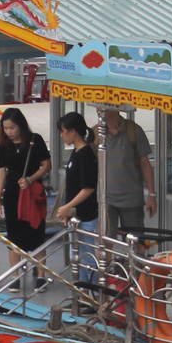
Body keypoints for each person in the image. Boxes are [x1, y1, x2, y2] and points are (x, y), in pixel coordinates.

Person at [0, 107, 51, 252]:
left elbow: (46, 165)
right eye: (5, 128)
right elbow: (1, 172)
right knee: (14, 236)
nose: (8, 132)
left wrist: (30, 179)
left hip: (32, 191)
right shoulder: (3, 145)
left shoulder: (34, 140)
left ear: (20, 125)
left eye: (12, 128)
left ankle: (40, 273)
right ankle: (16, 273)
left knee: (36, 232)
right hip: (12, 193)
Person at [52, 112, 99, 281]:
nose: (61, 135)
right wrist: (68, 211)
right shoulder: (76, 152)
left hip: (85, 215)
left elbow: (88, 188)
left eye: (63, 131)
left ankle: (92, 296)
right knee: (77, 257)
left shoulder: (86, 154)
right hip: (76, 214)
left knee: (87, 258)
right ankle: (84, 295)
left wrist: (67, 207)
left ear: (73, 132)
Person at [101, 107, 157, 234]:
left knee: (135, 240)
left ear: (116, 107)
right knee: (105, 240)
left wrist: (152, 195)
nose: (102, 109)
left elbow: (145, 164)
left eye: (106, 105)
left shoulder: (133, 131)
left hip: (131, 199)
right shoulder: (97, 133)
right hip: (106, 199)